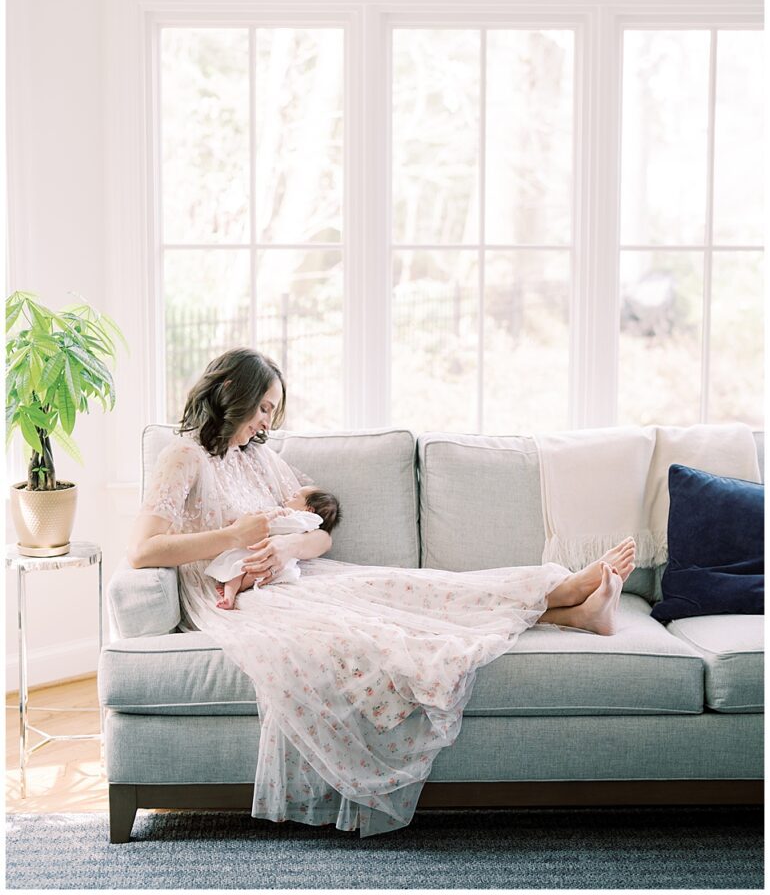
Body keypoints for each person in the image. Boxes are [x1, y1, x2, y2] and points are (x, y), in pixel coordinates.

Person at [128, 347, 636, 838]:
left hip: (293, 573)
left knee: (410, 588)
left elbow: (320, 531)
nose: (266, 422)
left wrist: (288, 551)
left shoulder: (256, 457)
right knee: (382, 627)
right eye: (263, 408)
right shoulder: (184, 456)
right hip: (236, 595)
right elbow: (143, 550)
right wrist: (235, 538)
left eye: (272, 412)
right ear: (233, 392)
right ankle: (563, 599)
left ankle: (567, 602)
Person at [208, 486, 342, 610]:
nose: (287, 498)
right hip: (263, 552)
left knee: (245, 569)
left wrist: (266, 518)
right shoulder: (299, 517)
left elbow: (279, 525)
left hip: (276, 556)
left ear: (309, 510)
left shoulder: (305, 519)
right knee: (241, 567)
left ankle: (234, 591)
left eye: (294, 496)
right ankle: (229, 596)